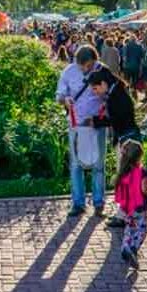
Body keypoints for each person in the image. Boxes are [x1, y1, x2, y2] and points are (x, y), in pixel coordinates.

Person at [55, 45, 105, 218]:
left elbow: (111, 94)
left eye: (89, 65)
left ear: (94, 59)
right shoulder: (69, 71)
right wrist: (65, 100)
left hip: (96, 124)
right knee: (76, 165)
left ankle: (99, 203)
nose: (86, 68)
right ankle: (78, 203)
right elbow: (59, 95)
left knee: (98, 164)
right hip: (76, 125)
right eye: (83, 65)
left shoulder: (101, 69)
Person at [113, 139, 147, 270]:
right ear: (139, 156)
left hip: (127, 207)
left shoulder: (122, 172)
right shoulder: (142, 172)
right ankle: (133, 248)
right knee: (142, 230)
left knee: (129, 228)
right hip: (140, 206)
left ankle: (125, 247)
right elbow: (144, 189)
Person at [86, 66, 139, 145]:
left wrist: (96, 121)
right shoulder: (115, 91)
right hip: (126, 134)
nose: (94, 92)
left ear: (103, 84)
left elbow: (116, 119)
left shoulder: (117, 95)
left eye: (95, 88)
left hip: (128, 137)